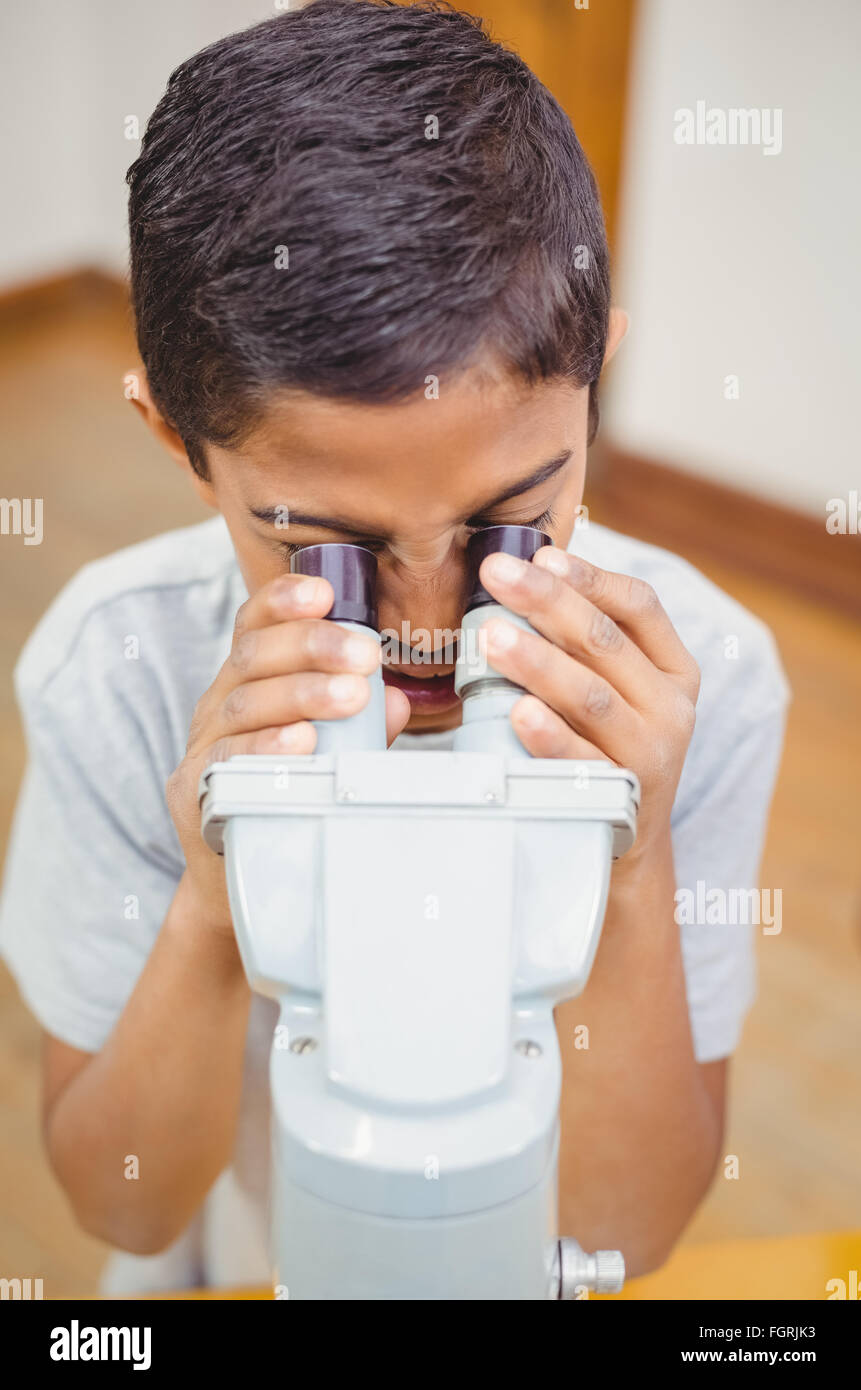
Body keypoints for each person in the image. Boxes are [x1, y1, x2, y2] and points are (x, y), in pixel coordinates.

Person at [0, 0, 789, 1294]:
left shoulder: (695, 679)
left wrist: (630, 863)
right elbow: (121, 1204)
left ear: (596, 385)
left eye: (510, 531)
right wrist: (211, 889)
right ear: (177, 444)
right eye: (329, 553)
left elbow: (626, 1232)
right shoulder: (123, 670)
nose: (429, 624)